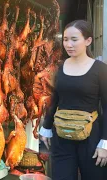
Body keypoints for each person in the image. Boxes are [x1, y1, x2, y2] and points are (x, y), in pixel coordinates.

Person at [39, 20, 107, 180]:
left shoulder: (100, 70)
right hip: (62, 137)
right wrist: (46, 128)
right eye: (65, 39)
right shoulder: (59, 68)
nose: (69, 44)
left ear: (88, 41)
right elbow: (53, 99)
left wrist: (105, 143)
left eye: (74, 39)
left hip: (92, 139)